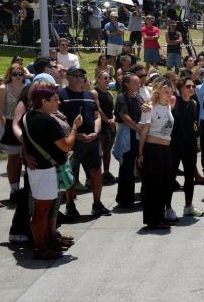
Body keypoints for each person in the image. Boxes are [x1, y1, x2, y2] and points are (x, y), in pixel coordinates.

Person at [22, 84, 82, 259]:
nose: (59, 102)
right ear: (44, 101)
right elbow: (66, 145)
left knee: (44, 210)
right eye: (55, 99)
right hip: (45, 171)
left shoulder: (28, 116)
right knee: (41, 211)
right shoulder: (47, 121)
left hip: (41, 170)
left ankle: (47, 241)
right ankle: (41, 248)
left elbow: (25, 140)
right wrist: (75, 127)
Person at [58, 68, 110, 218]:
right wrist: (75, 134)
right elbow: (59, 119)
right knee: (71, 173)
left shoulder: (89, 95)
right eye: (75, 75)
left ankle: (97, 204)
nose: (79, 78)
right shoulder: (61, 95)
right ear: (67, 77)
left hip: (92, 140)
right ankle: (70, 206)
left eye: (82, 75)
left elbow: (97, 116)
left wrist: (96, 132)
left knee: (96, 172)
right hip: (73, 141)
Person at [138, 79, 175, 229]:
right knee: (153, 185)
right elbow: (144, 131)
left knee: (165, 184)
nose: (169, 94)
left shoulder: (168, 106)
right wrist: (140, 153)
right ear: (158, 91)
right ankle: (152, 220)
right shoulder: (149, 108)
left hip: (166, 149)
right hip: (153, 149)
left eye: (170, 92)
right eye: (166, 92)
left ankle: (160, 217)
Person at [171, 76, 201, 217]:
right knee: (170, 176)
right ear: (181, 88)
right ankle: (167, 208)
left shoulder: (194, 103)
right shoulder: (174, 100)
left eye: (193, 86)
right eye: (188, 86)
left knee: (190, 176)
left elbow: (195, 125)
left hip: (190, 145)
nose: (191, 88)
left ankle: (188, 206)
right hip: (175, 144)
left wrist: (197, 142)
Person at [0, 63, 26, 204]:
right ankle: (13, 189)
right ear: (10, 74)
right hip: (9, 124)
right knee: (13, 158)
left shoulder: (26, 88)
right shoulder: (4, 88)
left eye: (20, 73)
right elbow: (0, 110)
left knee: (21, 158)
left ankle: (18, 187)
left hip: (23, 124)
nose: (18, 76)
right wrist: (5, 125)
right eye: (15, 74)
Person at [115, 72, 143, 208]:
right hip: (128, 135)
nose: (139, 84)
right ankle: (125, 199)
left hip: (140, 135)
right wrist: (138, 128)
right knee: (127, 167)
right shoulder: (122, 97)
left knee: (143, 165)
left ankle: (145, 194)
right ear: (126, 84)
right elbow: (124, 116)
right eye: (135, 82)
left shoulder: (139, 97)